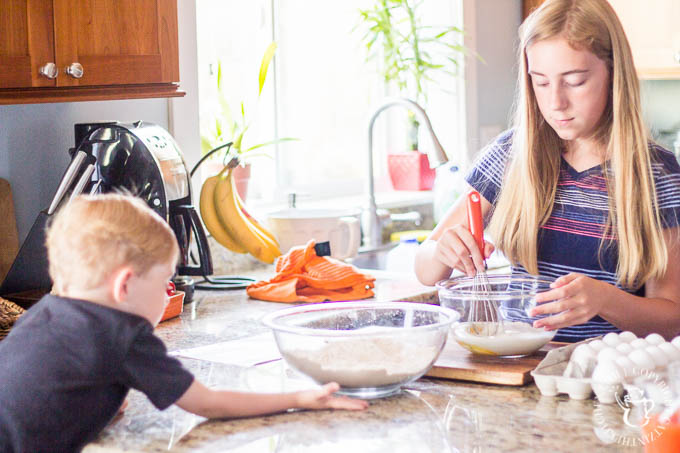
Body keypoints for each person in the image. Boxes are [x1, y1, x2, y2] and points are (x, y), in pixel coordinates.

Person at [0, 194, 367, 452]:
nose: (169, 292)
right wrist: (301, 397)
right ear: (124, 284)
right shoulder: (123, 335)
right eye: (164, 282)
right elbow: (209, 403)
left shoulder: (41, 315)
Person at [415, 0, 680, 342]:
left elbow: (672, 316)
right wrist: (441, 252)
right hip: (517, 367)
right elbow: (424, 268)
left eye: (575, 81)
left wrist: (604, 299)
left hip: (604, 376)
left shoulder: (655, 175)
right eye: (541, 82)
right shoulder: (511, 156)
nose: (556, 102)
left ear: (613, 74)